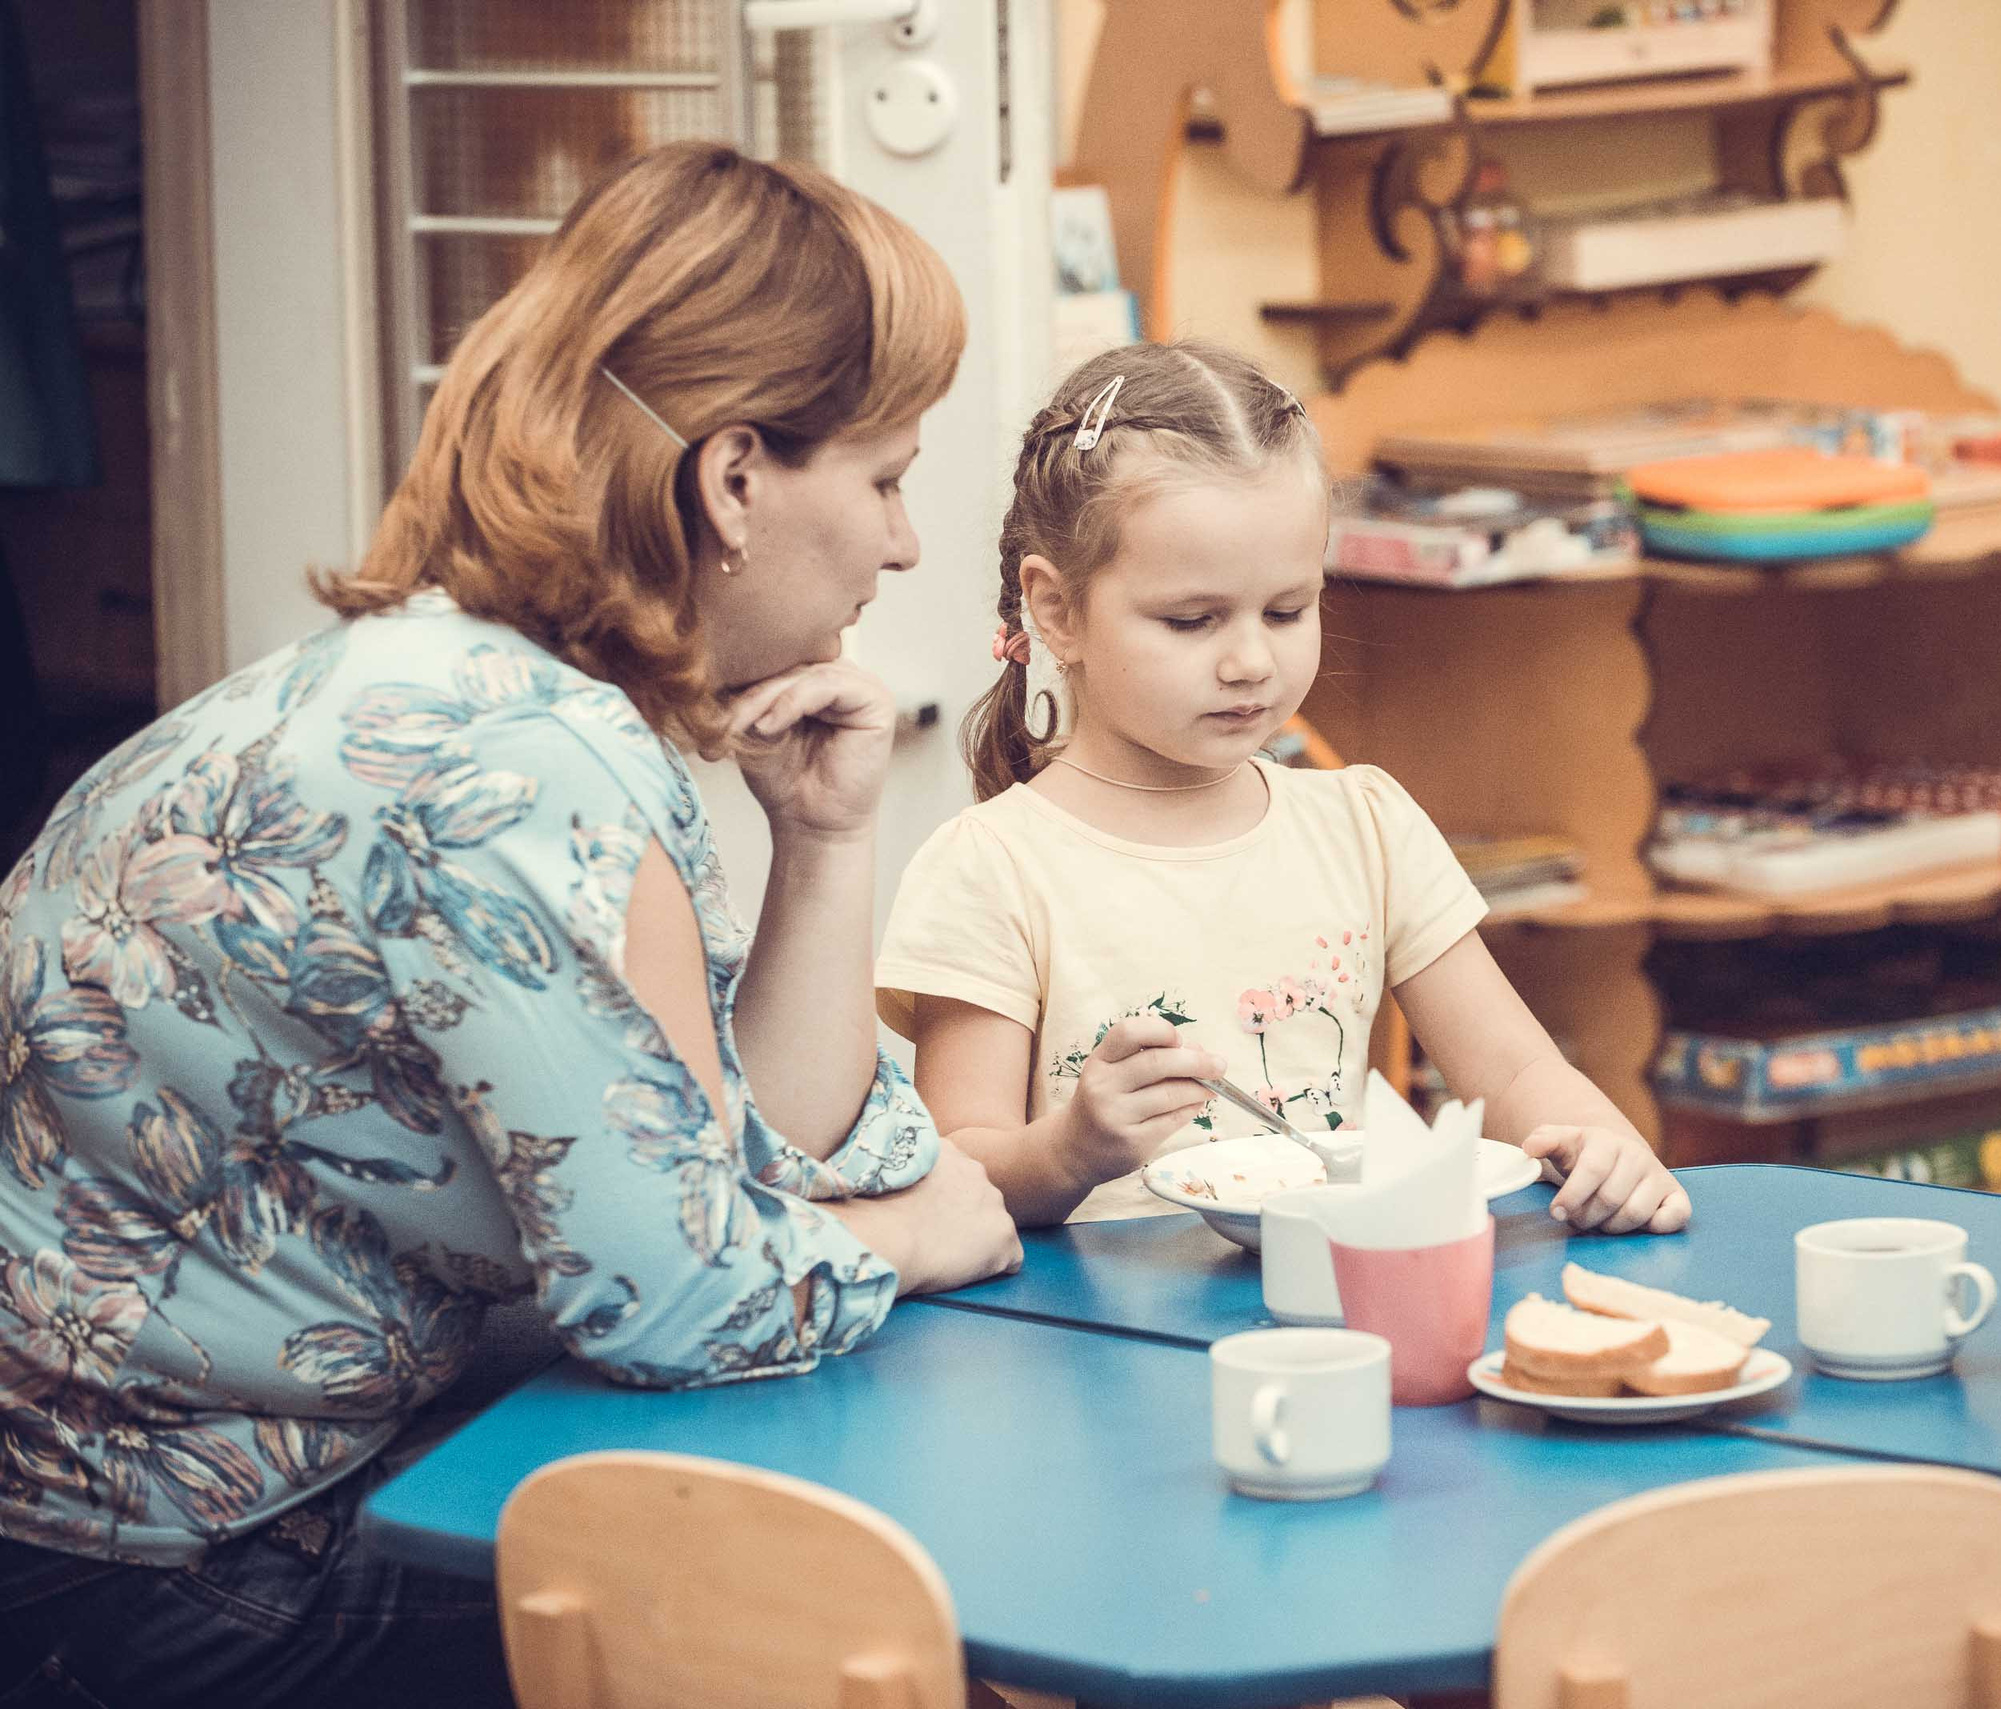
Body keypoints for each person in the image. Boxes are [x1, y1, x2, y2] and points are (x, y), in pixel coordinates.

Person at [0, 141, 1019, 1707]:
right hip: (164, 1576)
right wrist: (911, 1239)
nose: (904, 545)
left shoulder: (483, 692)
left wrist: (821, 842)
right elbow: (677, 1303)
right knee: (853, 1633)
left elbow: (754, 1153)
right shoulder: (519, 764)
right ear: (735, 476)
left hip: (164, 1529)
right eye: (886, 478)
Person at [875, 341, 1690, 1234]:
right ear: (1058, 609)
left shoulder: (1365, 825)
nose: (1252, 661)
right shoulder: (990, 867)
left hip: (1330, 1312)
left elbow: (1515, 1074)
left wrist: (1608, 1150)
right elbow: (962, 1164)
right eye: (1193, 619)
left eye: (1288, 609)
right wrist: (1072, 1148)